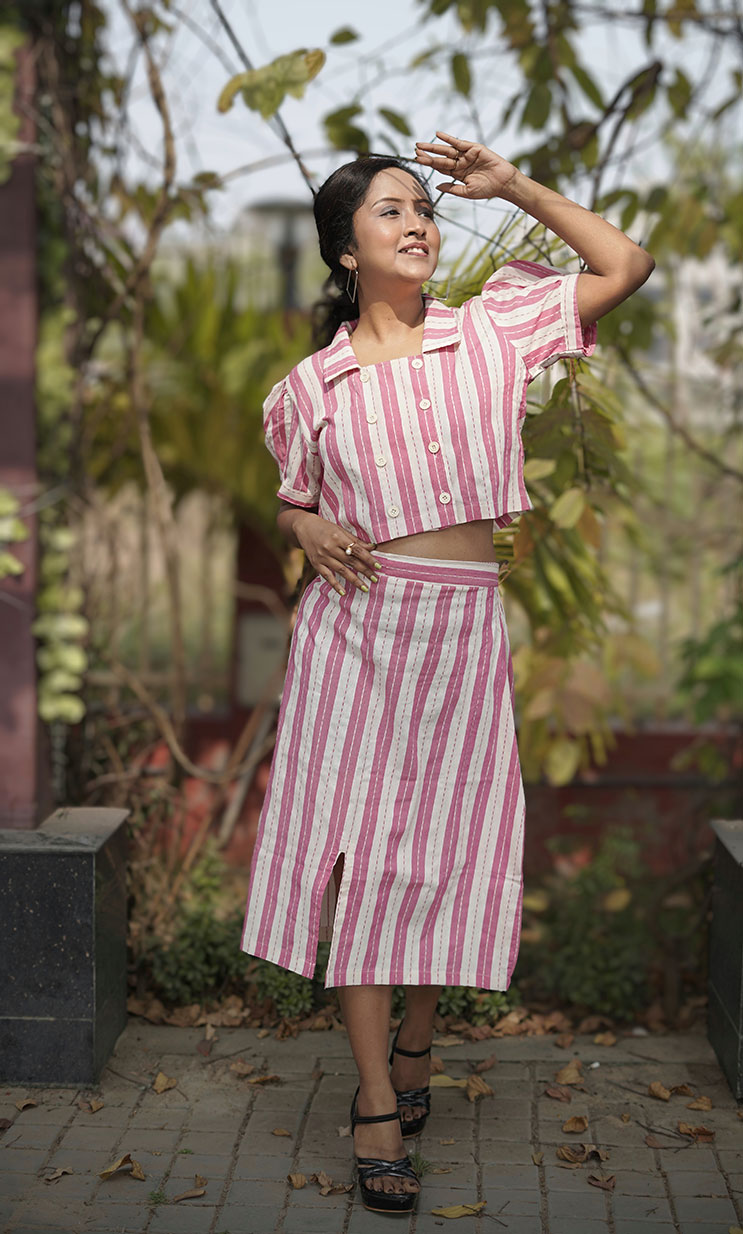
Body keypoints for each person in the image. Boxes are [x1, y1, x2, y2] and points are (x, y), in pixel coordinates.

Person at [240, 131, 654, 1214]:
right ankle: (376, 1097)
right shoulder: (309, 387)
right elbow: (294, 500)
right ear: (344, 251)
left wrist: (511, 187)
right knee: (364, 855)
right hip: (356, 634)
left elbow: (625, 264)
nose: (417, 221)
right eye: (389, 210)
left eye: (423, 206)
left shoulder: (491, 330)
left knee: (442, 849)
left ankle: (419, 1037)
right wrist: (304, 526)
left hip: (463, 628)